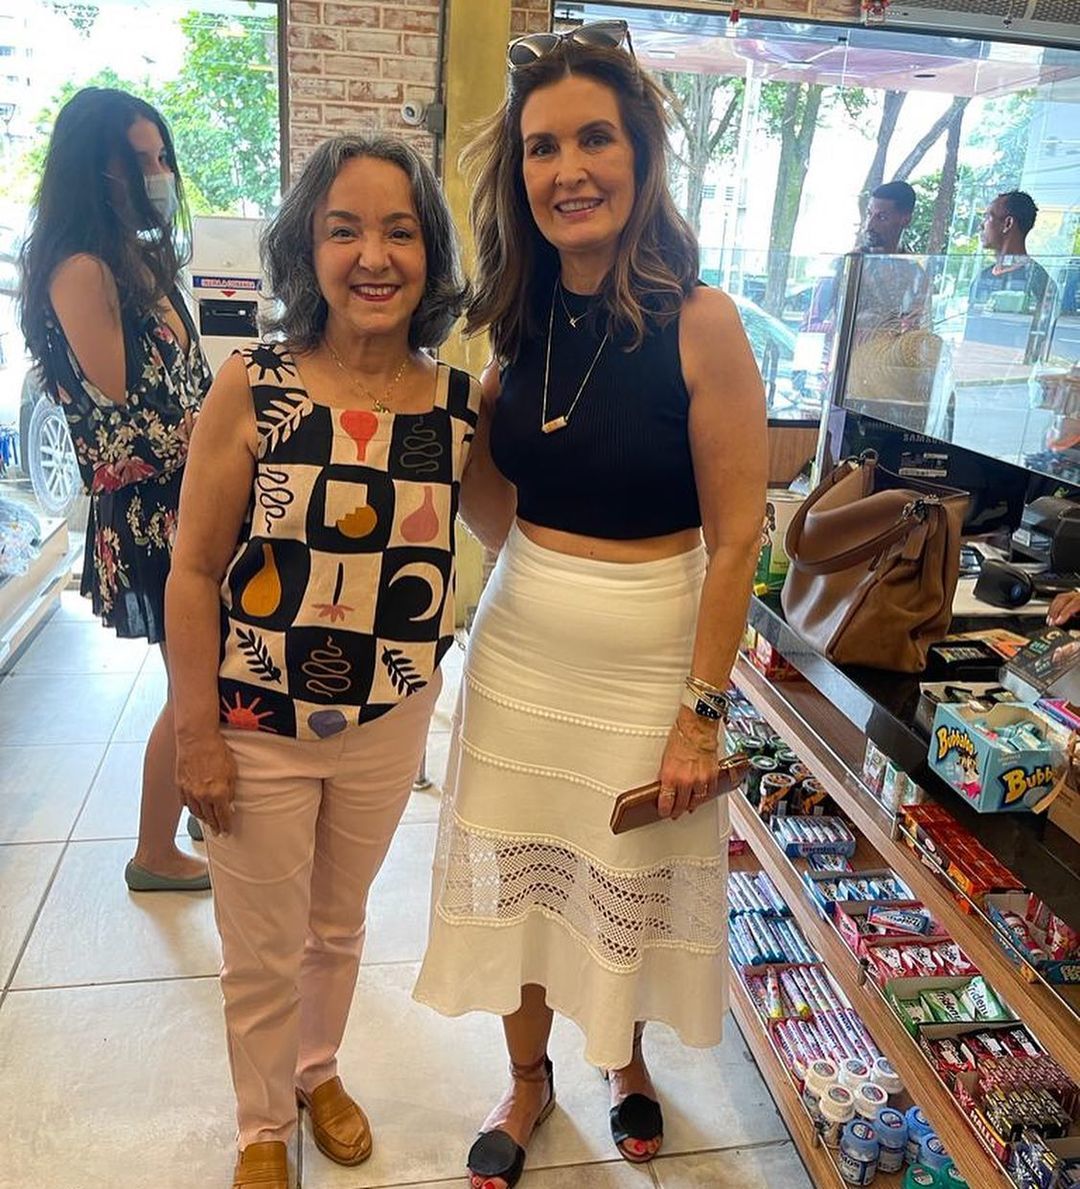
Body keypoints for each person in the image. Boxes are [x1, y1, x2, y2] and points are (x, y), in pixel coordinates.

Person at [413, 22, 767, 1189]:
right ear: (519, 173)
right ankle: (527, 1081)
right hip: (520, 655)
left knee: (627, 887)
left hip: (653, 664)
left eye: (595, 139)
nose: (569, 169)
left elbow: (738, 538)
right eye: (543, 147)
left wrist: (701, 715)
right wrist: (468, 437)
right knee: (519, 875)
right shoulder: (516, 323)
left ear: (641, 155)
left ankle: (624, 1061)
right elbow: (499, 508)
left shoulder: (703, 322)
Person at [164, 134, 475, 1189]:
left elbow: (522, 530)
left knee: (336, 926)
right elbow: (192, 571)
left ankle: (316, 1068)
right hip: (255, 720)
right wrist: (196, 734)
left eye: (400, 231)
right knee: (260, 945)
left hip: (388, 721)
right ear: (308, 248)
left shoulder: (459, 405)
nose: (373, 256)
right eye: (345, 230)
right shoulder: (254, 386)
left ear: (430, 255)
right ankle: (261, 1124)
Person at [18, 87, 211, 892]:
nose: (157, 173)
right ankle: (153, 853)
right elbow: (129, 403)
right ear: (91, 169)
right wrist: (226, 430)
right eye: (139, 160)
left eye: (162, 156)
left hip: (189, 495)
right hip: (154, 507)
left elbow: (186, 381)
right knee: (194, 681)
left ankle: (193, 800)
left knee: (202, 669)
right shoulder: (81, 269)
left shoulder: (133, 257)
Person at [971, 191, 1054, 365]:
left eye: (988, 217)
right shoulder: (981, 278)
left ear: (1007, 224)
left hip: (1012, 375)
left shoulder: (1038, 281)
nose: (981, 225)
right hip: (973, 370)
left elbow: (1040, 343)